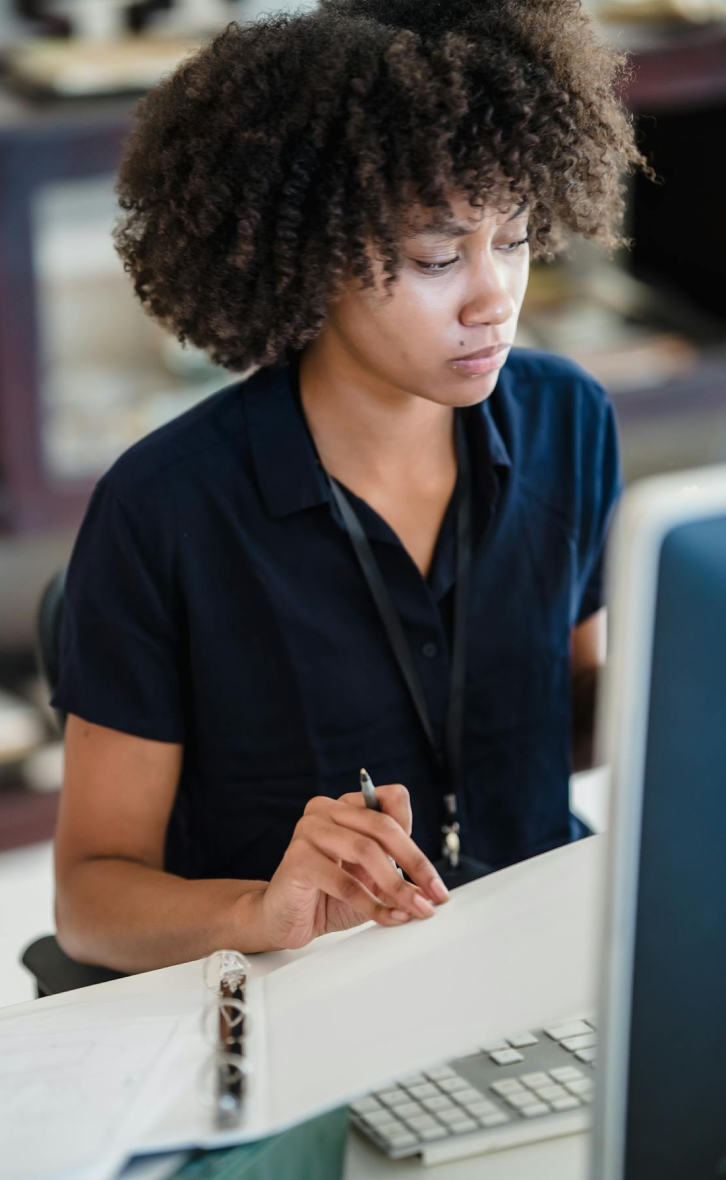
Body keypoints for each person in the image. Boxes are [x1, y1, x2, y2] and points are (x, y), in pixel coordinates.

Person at [52, 0, 653, 974]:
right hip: (301, 987)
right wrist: (262, 908)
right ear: (310, 254)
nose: (494, 299)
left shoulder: (568, 421)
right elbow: (89, 898)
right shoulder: (166, 510)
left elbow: (574, 715)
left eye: (515, 238)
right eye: (436, 256)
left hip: (540, 950)